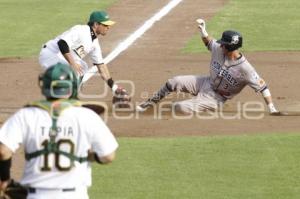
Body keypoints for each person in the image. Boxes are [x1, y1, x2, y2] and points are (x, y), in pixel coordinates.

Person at [0, 63, 118, 199]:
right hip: (75, 195)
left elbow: (3, 151)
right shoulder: (87, 115)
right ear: (72, 86)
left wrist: (5, 180)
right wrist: (91, 156)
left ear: (44, 85)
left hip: (37, 195)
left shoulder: (26, 114)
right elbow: (108, 156)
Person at [136, 19, 279, 115]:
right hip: (206, 82)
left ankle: (164, 113)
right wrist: (203, 31)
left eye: (224, 44)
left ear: (231, 47)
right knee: (174, 82)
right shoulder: (219, 48)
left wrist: (272, 108)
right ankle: (147, 105)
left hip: (216, 98)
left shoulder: (246, 69)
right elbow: (209, 42)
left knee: (180, 108)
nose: (220, 44)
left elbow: (263, 87)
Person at [38, 10, 128, 98]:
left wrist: (114, 87)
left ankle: (70, 97)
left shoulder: (94, 43)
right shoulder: (81, 30)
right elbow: (62, 43)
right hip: (51, 54)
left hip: (61, 58)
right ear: (96, 24)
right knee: (74, 72)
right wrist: (73, 64)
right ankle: (62, 98)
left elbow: (101, 67)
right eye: (105, 25)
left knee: (82, 67)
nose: (108, 27)